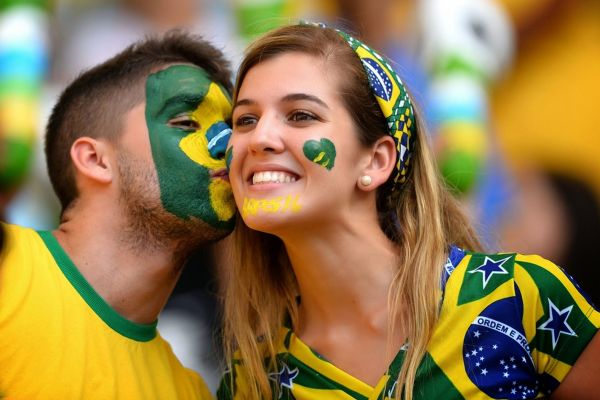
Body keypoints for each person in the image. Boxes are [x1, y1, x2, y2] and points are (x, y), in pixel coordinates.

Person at [216, 23, 600, 400]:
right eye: (245, 119)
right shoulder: (253, 379)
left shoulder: (518, 296)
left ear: (376, 161)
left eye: (301, 115)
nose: (259, 138)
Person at [0, 30, 236, 399]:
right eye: (187, 123)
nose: (228, 145)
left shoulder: (189, 393)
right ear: (95, 160)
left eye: (231, 129)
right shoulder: (7, 267)